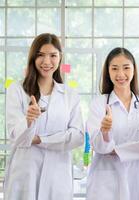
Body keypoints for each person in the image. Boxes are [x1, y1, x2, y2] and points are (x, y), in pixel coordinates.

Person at [4, 33, 84, 200]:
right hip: (25, 173)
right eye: (40, 55)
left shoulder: (70, 95)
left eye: (53, 56)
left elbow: (77, 137)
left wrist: (40, 139)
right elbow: (14, 136)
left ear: (60, 58)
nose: (47, 62)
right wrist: (28, 120)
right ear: (33, 57)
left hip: (58, 175)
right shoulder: (17, 90)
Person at [86, 47, 139, 200]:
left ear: (134, 70)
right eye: (114, 68)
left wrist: (115, 150)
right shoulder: (99, 104)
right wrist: (104, 133)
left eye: (126, 67)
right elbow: (98, 146)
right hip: (106, 182)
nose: (120, 74)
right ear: (108, 72)